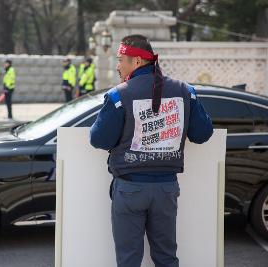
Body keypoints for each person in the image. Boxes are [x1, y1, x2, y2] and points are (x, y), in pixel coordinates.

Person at [89, 34, 213, 267]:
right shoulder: (186, 91)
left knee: (128, 260)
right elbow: (202, 134)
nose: (117, 66)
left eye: (120, 59)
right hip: (166, 189)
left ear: (136, 62)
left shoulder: (118, 95)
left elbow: (99, 139)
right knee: (167, 258)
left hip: (129, 188)